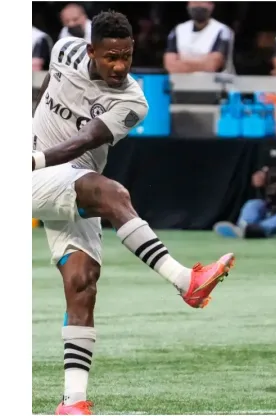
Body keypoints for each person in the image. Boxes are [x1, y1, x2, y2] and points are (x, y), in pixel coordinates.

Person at [31, 11, 235, 415]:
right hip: (40, 180)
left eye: (126, 56)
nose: (120, 66)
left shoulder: (133, 101)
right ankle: (184, 280)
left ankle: (73, 402)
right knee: (111, 192)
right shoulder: (62, 49)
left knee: (83, 283)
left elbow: (83, 141)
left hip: (57, 174)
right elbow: (45, 92)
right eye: (110, 57)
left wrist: (31, 158)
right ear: (91, 50)